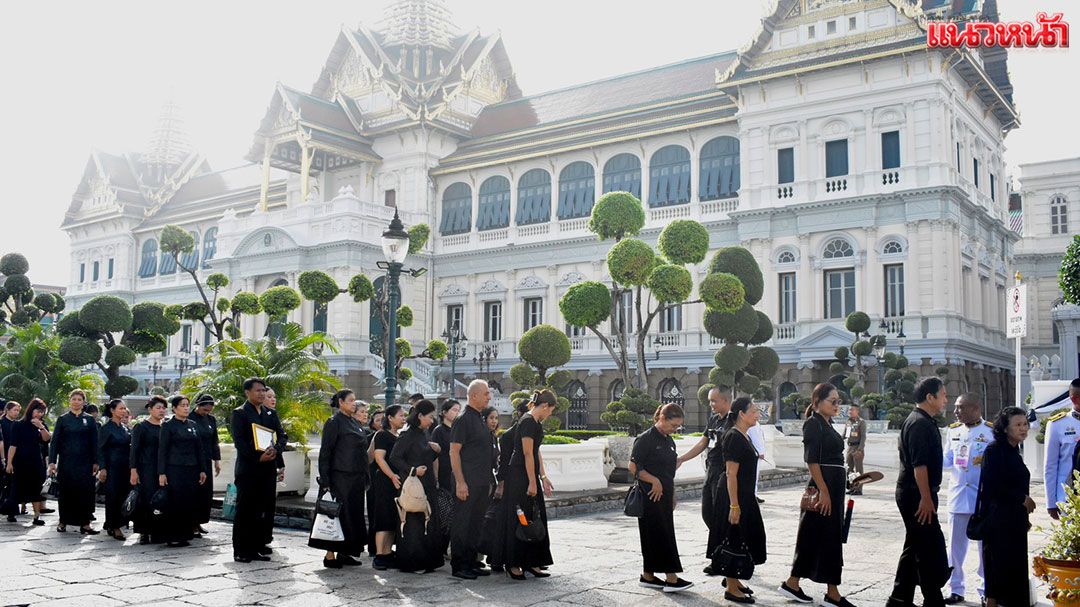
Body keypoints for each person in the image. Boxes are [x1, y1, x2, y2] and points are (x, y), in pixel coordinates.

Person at [780, 383, 857, 607]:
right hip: (823, 487)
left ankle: (797, 583)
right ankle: (828, 591)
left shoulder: (828, 424)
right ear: (817, 402)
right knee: (820, 537)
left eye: (838, 401)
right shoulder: (813, 425)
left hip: (833, 485)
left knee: (819, 537)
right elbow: (811, 460)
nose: (837, 405)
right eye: (832, 401)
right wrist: (823, 491)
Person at [886, 377, 951, 607]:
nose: (946, 399)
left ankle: (899, 598)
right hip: (916, 493)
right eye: (943, 395)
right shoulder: (919, 424)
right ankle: (932, 598)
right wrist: (925, 498)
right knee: (927, 546)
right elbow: (919, 466)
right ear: (930, 397)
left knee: (916, 544)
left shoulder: (925, 420)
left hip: (921, 492)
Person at [630, 403, 693, 593]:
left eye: (678, 427)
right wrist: (654, 481)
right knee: (660, 535)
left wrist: (672, 493)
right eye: (673, 425)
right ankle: (671, 578)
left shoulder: (668, 440)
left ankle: (648, 576)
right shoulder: (645, 439)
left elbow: (669, 470)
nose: (675, 429)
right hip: (650, 495)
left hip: (665, 496)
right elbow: (633, 468)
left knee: (656, 535)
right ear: (662, 418)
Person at [709, 397, 766, 603]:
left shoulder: (744, 435)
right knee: (735, 537)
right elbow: (731, 473)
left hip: (744, 494)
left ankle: (736, 580)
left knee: (744, 537)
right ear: (741, 414)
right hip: (735, 495)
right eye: (754, 411)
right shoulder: (733, 436)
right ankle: (731, 587)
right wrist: (734, 505)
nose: (757, 414)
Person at [979, 406, 1036, 607]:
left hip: (1015, 522)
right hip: (998, 522)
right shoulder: (995, 450)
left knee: (1015, 571)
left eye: (1025, 424)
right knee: (997, 570)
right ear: (1005, 428)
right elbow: (993, 484)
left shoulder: (1014, 450)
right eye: (1018, 425)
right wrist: (1022, 498)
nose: (1023, 429)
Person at [942, 393, 992, 605]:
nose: (956, 411)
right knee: (955, 548)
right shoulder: (953, 431)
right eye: (955, 407)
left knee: (985, 549)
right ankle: (956, 588)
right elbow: (947, 460)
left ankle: (985, 590)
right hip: (958, 496)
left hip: (981, 499)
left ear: (975, 408)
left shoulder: (990, 432)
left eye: (960, 407)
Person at [676, 386, 733, 571]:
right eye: (710, 401)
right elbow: (703, 442)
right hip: (711, 471)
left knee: (720, 516)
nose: (711, 404)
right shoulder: (714, 419)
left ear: (725, 400)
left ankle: (720, 558)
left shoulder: (735, 421)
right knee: (707, 513)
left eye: (714, 401)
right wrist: (682, 459)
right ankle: (722, 551)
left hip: (725, 473)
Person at [502, 390, 557, 580]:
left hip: (530, 474)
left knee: (535, 515)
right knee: (521, 517)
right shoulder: (526, 421)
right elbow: (526, 453)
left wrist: (542, 476)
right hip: (519, 476)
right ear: (544, 406)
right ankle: (514, 563)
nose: (550, 414)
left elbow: (536, 451)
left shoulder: (535, 422)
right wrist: (532, 482)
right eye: (550, 410)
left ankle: (532, 561)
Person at [231, 377, 285, 563]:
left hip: (268, 468)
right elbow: (239, 441)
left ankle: (257, 546)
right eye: (258, 391)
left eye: (264, 390)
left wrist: (275, 451)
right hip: (249, 469)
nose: (262, 394)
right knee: (246, 509)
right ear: (247, 392)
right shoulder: (240, 413)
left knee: (263, 508)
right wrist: (257, 457)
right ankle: (241, 550)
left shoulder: (270, 414)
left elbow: (282, 436)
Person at [389, 399, 445, 573]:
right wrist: (413, 470)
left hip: (427, 484)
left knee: (428, 523)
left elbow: (425, 457)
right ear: (420, 415)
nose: (431, 420)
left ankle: (427, 561)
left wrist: (436, 451)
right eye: (429, 417)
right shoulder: (408, 434)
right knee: (414, 524)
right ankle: (412, 562)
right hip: (413, 485)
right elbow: (395, 457)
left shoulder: (424, 433)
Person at [315, 389, 368, 569]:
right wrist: (326, 480)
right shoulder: (333, 422)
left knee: (352, 516)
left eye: (355, 400)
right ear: (341, 402)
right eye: (351, 400)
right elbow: (325, 452)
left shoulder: (354, 422)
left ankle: (346, 552)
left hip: (356, 478)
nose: (354, 403)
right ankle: (330, 555)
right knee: (335, 514)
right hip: (340, 477)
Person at [450, 379, 495, 580]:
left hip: (482, 482)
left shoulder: (479, 418)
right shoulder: (463, 419)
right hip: (466, 483)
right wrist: (460, 482)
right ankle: (459, 565)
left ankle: (471, 562)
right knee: (463, 524)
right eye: (486, 393)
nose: (489, 397)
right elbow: (454, 452)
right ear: (474, 395)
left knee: (476, 524)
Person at [48, 389, 99, 534]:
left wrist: (96, 461)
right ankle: (63, 521)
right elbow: (55, 442)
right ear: (69, 401)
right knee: (66, 492)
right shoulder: (63, 419)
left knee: (85, 493)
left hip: (85, 462)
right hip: (67, 462)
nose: (76, 401)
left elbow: (94, 442)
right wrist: (52, 462)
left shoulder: (89, 419)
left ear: (84, 402)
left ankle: (85, 524)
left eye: (79, 399)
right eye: (73, 399)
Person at [369, 403, 406, 570]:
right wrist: (391, 475)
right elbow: (379, 458)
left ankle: (387, 552)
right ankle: (379, 554)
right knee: (383, 517)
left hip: (396, 482)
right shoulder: (382, 435)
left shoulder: (398, 436)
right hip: (384, 481)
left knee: (392, 518)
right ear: (390, 418)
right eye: (400, 415)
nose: (403, 418)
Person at [5, 400, 49, 525]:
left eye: (41, 412)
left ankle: (36, 516)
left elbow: (47, 439)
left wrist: (40, 427)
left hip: (35, 460)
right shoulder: (18, 425)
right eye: (37, 411)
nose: (39, 414)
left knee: (35, 488)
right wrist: (9, 462)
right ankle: (12, 513)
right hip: (20, 460)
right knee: (16, 487)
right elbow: (13, 445)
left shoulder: (41, 425)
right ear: (31, 410)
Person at [130, 396, 167, 544]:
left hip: (162, 468)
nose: (161, 411)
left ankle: (158, 530)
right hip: (146, 468)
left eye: (164, 408)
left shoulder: (166, 427)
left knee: (160, 500)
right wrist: (133, 470)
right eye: (158, 408)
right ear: (150, 409)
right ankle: (143, 531)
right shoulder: (141, 427)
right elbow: (134, 451)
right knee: (146, 499)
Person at [1043, 378, 1080, 520]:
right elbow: (1050, 466)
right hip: (1068, 496)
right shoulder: (1058, 424)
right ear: (1075, 399)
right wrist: (1051, 502)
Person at [97, 399, 131, 540]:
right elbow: (100, 449)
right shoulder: (106, 428)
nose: (123, 411)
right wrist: (103, 468)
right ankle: (114, 525)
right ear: (112, 410)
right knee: (113, 497)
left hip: (125, 467)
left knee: (123, 495)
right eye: (120, 408)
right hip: (112, 467)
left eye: (124, 408)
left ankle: (115, 523)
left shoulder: (125, 428)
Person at [431, 399, 460, 556]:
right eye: (454, 410)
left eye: (458, 410)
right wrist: (435, 477)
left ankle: (451, 547)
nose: (456, 413)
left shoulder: (458, 429)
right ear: (444, 412)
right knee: (445, 513)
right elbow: (435, 456)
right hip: (443, 475)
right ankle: (441, 549)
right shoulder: (438, 431)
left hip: (457, 474)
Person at [190, 393, 221, 536]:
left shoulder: (211, 420)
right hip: (193, 462)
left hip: (207, 459)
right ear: (198, 405)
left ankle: (200, 521)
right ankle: (192, 523)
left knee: (206, 493)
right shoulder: (190, 419)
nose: (206, 412)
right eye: (204, 409)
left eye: (209, 410)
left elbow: (215, 441)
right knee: (195, 492)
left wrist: (217, 460)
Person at [843, 405, 867, 495]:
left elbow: (863, 437)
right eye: (849, 410)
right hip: (850, 447)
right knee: (849, 469)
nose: (850, 411)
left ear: (857, 411)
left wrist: (860, 449)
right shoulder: (848, 422)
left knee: (858, 471)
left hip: (857, 448)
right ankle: (852, 487)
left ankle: (859, 489)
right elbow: (845, 434)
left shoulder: (861, 422)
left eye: (852, 410)